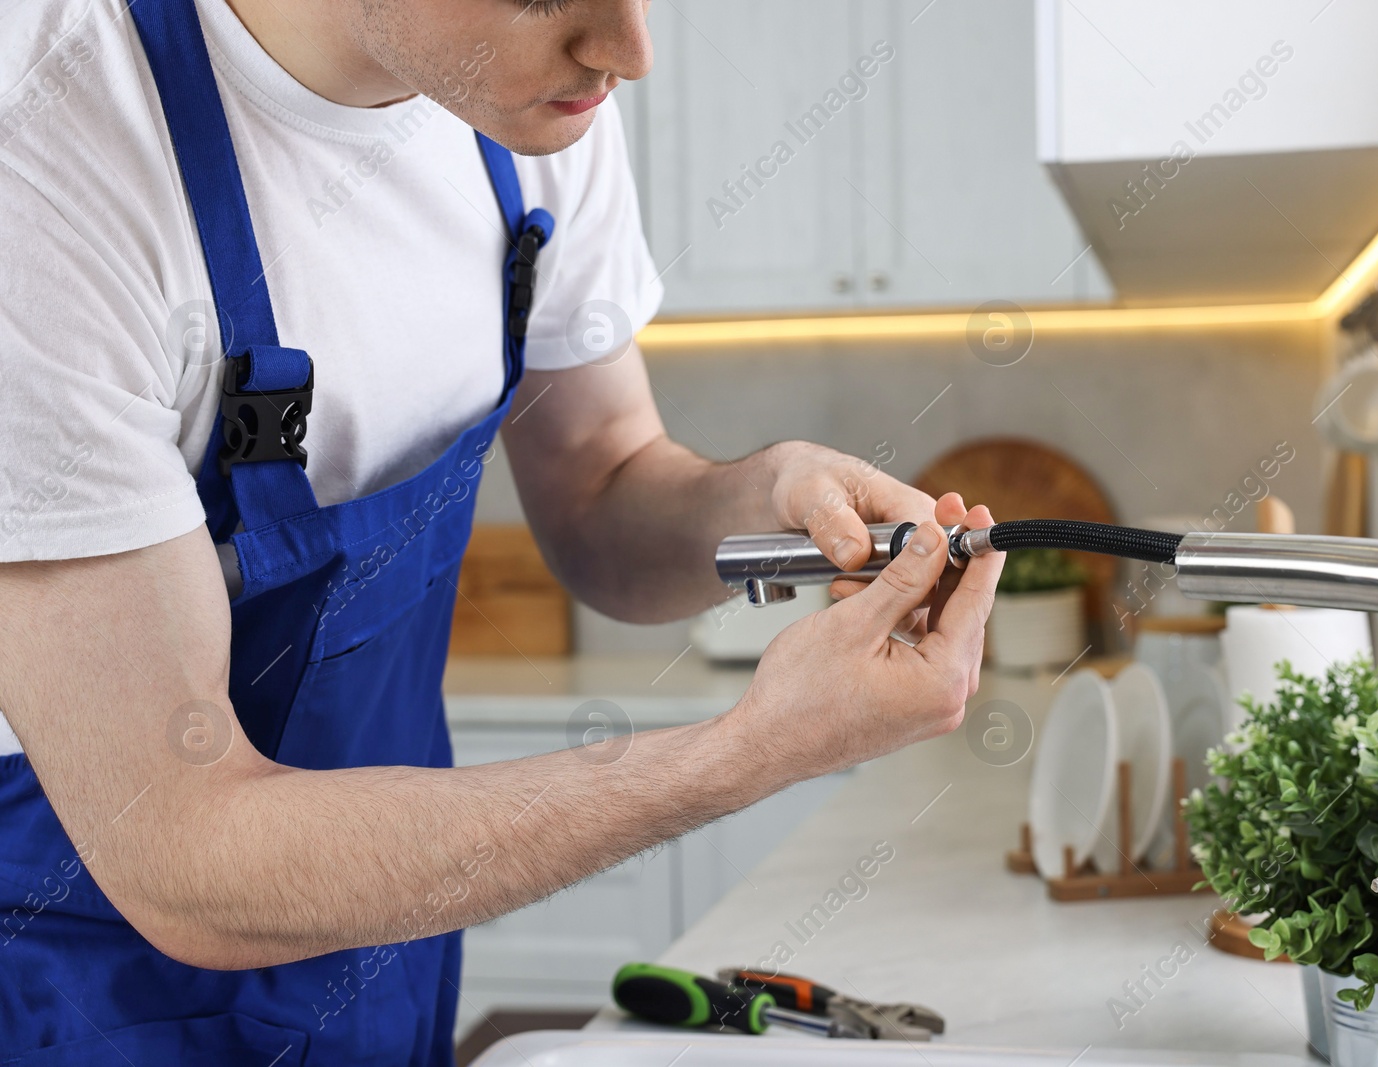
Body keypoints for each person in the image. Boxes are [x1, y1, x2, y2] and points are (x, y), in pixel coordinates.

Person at [0, 0, 1004, 1061]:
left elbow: (605, 494)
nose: (628, 51)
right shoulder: (52, 156)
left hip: (387, 925)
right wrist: (745, 753)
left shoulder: (525, 101)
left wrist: (771, 492)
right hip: (93, 970)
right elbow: (183, 857)